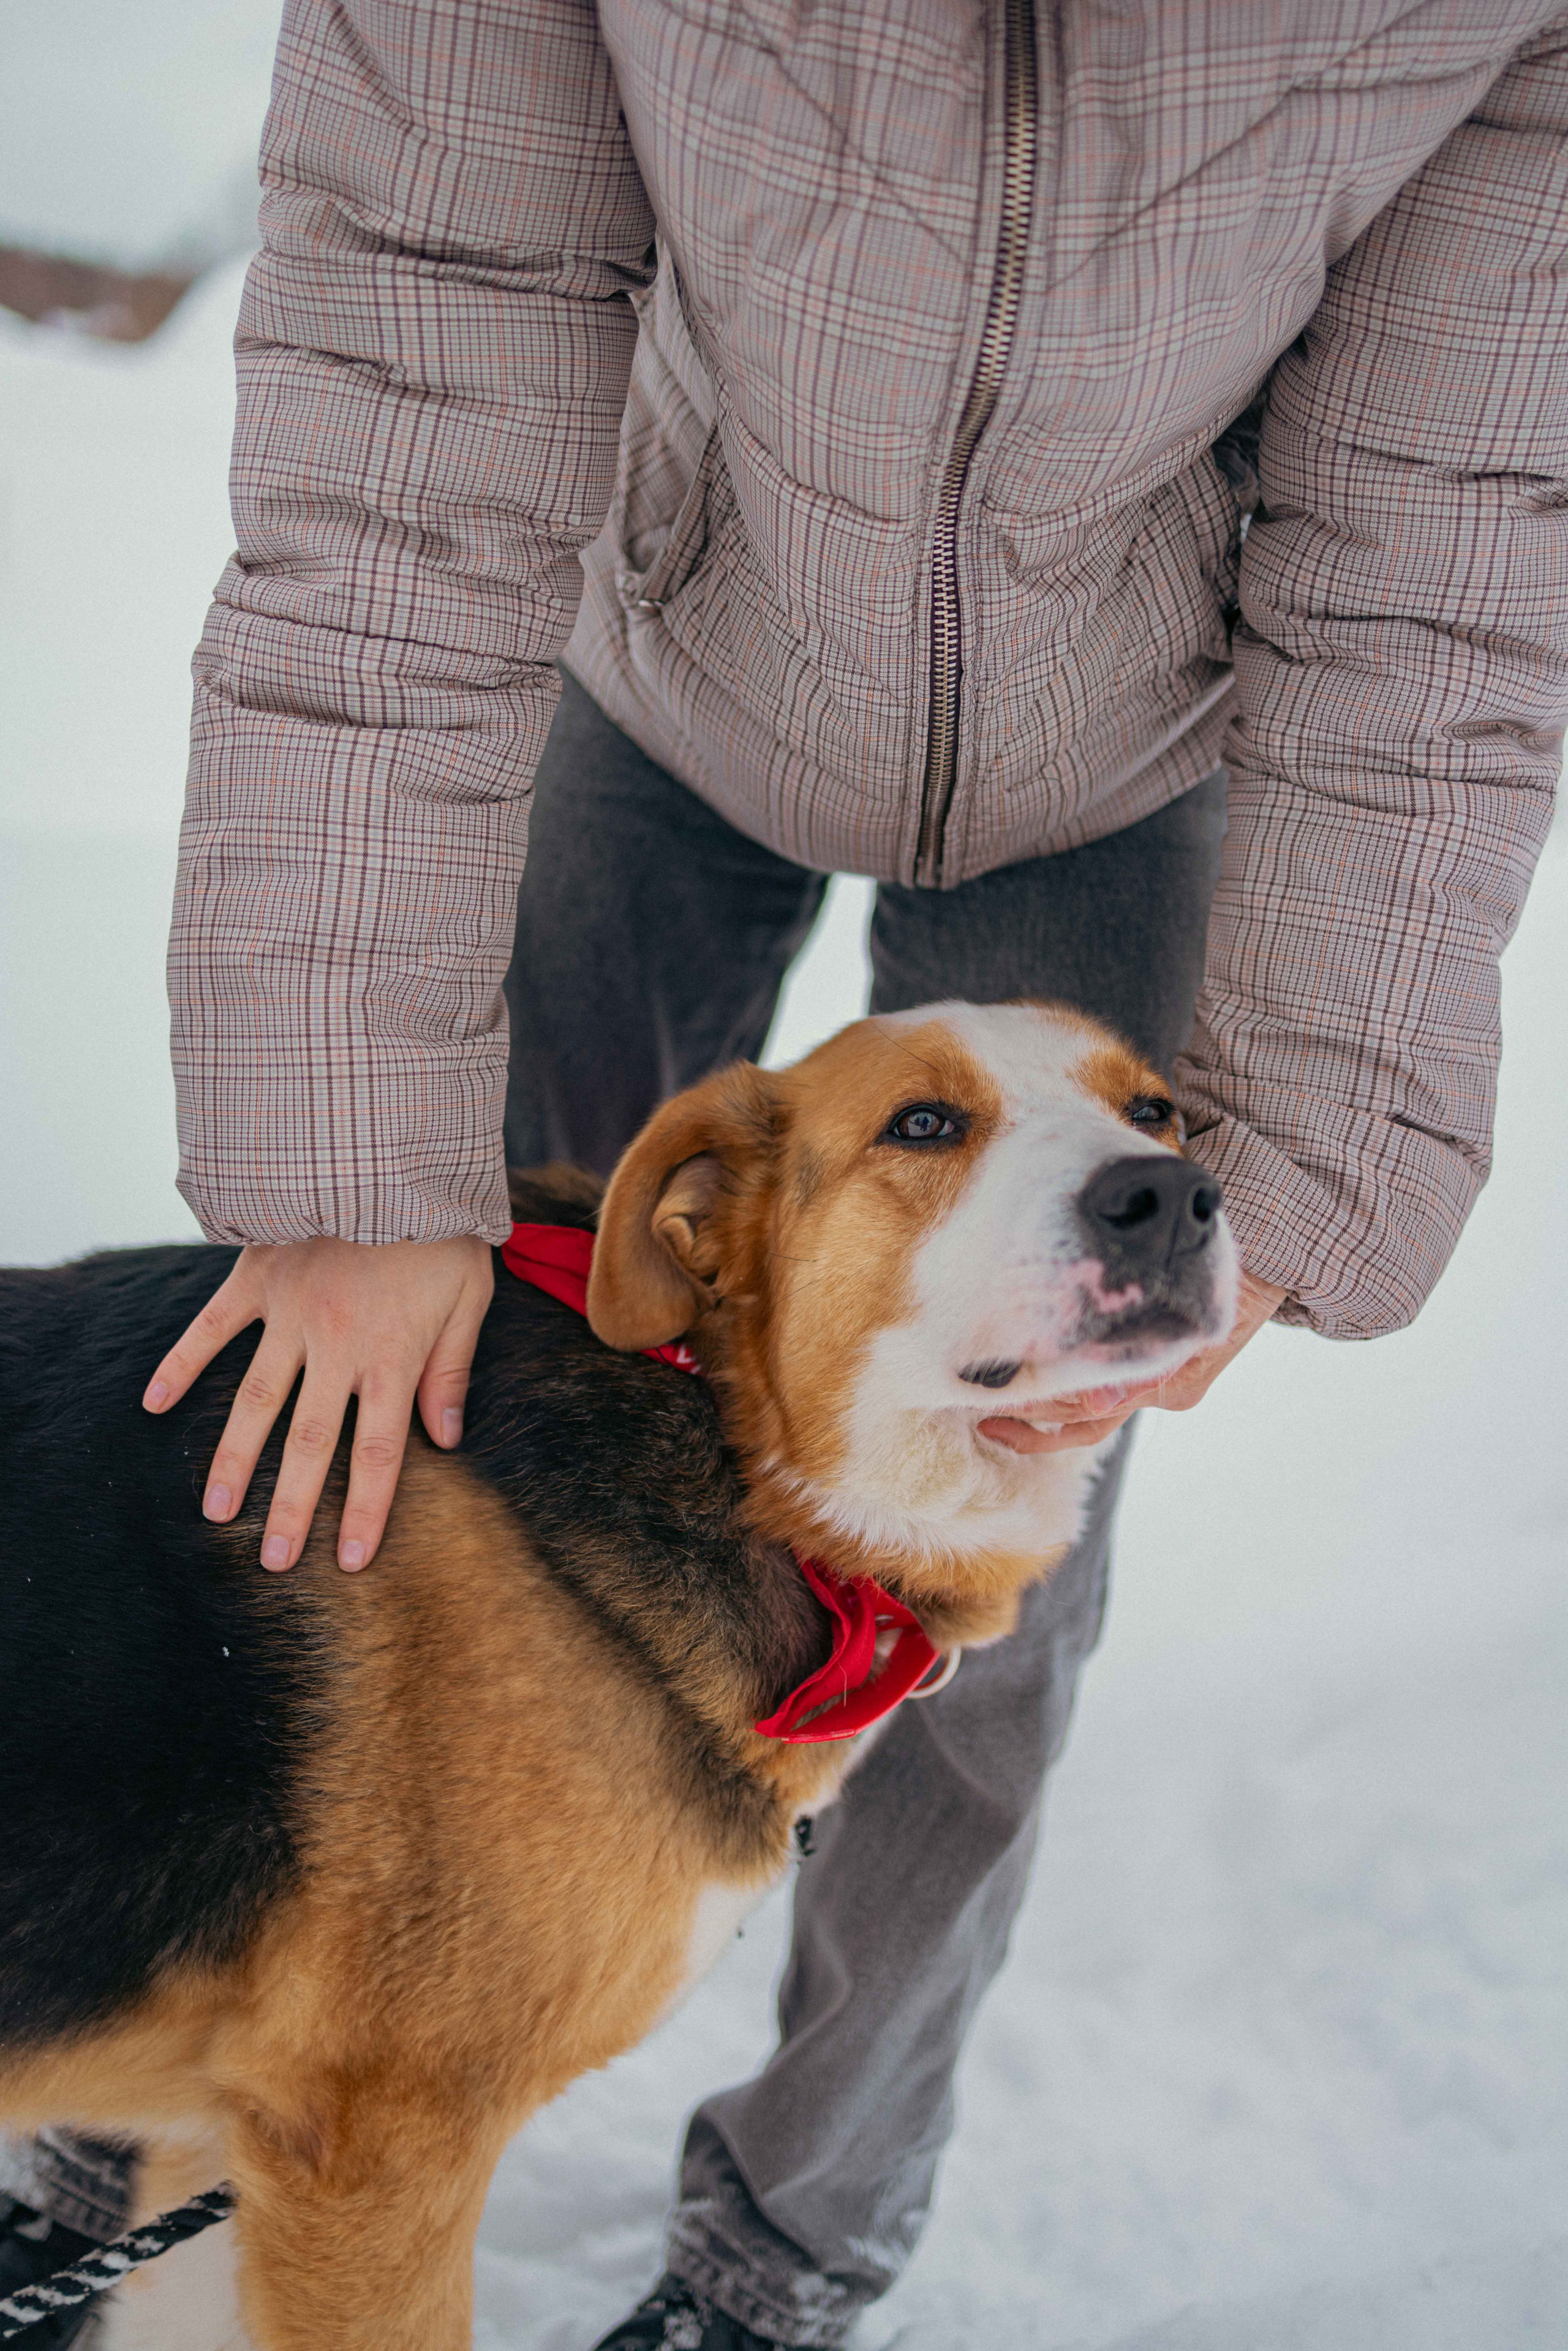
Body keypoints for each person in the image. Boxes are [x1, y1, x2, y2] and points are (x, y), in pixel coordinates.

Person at [5, 5, 1566, 2345]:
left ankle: (795, 2233)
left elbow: (1453, 544)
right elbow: (422, 355)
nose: (1138, 1170)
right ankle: (124, 2095)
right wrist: (349, 1156)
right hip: (650, 645)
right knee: (371, 1409)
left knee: (991, 1540)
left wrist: (1314, 1139)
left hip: (1143, 723)